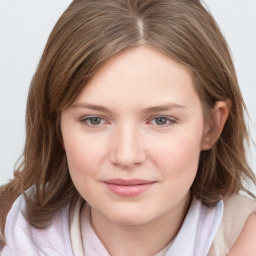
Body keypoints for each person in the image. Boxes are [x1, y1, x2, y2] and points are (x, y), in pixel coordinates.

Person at [0, 0, 256, 255]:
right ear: (56, 126)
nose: (126, 155)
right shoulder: (15, 231)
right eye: (94, 120)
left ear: (211, 127)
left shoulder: (243, 237)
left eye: (161, 120)